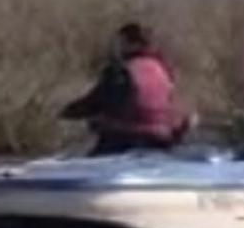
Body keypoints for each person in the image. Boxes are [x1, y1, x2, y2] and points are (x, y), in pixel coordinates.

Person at [61, 23, 190, 156]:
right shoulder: (163, 69)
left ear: (131, 44)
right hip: (163, 136)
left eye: (121, 42)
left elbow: (98, 100)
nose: (118, 47)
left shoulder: (121, 71)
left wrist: (69, 112)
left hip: (125, 137)